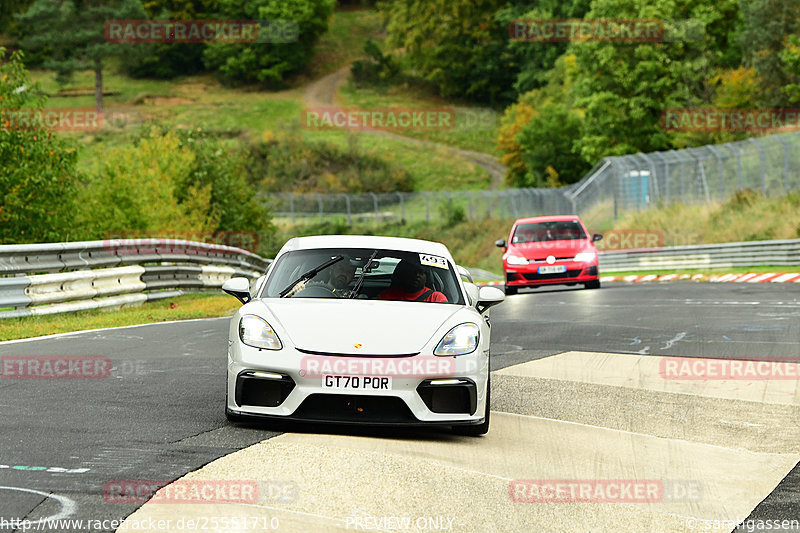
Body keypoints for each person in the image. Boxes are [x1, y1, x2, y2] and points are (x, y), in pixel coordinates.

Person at [377, 259, 447, 303]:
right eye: (412, 272)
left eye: (421, 272)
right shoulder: (386, 296)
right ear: (404, 275)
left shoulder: (436, 298)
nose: (417, 275)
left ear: (427, 278)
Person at [288, 257, 357, 298]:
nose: (344, 273)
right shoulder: (310, 288)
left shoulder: (353, 297)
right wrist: (297, 290)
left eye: (349, 272)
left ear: (353, 276)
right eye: (341, 269)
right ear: (331, 270)